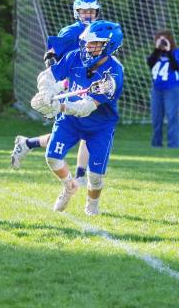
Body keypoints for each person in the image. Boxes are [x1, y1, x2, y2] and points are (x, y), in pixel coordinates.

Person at [30, 20, 124, 216]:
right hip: (70, 121)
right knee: (52, 158)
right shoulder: (75, 57)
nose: (87, 47)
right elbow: (47, 75)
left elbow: (87, 107)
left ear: (109, 45)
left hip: (100, 126)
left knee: (95, 176)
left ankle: (92, 206)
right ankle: (68, 186)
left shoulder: (113, 73)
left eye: (94, 43)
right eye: (87, 42)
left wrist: (59, 106)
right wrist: (46, 92)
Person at [11, 0, 102, 186]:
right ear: (77, 13)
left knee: (87, 130)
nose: (88, 15)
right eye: (84, 11)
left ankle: (29, 144)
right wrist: (52, 62)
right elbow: (53, 52)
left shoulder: (100, 29)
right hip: (71, 85)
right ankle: (29, 144)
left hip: (90, 85)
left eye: (91, 11)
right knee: (74, 131)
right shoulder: (71, 31)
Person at [147, 30, 179, 148]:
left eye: (165, 39)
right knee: (156, 118)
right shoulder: (156, 53)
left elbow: (176, 66)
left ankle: (173, 144)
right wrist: (157, 49)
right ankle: (156, 144)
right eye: (160, 39)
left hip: (172, 89)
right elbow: (150, 63)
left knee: (172, 116)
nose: (162, 42)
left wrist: (169, 50)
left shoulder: (176, 52)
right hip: (156, 89)